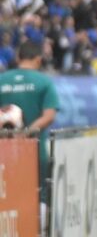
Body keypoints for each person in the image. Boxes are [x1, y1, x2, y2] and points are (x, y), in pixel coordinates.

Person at [0, 40, 60, 226]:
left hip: (3, 151)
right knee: (38, 195)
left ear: (18, 58)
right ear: (39, 60)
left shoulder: (2, 80)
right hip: (34, 150)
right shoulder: (44, 82)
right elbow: (49, 115)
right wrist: (27, 132)